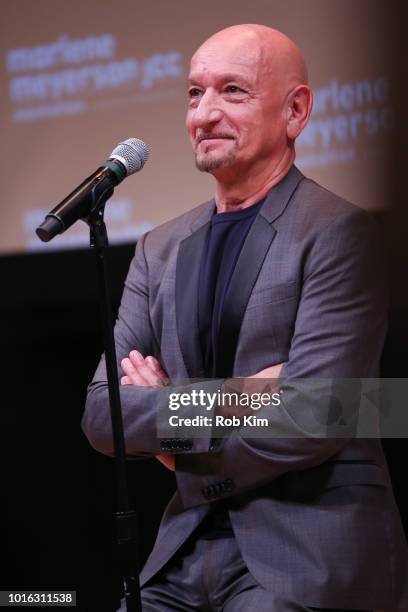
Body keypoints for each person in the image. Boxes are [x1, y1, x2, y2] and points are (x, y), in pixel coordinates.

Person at [82, 24, 408, 611]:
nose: (203, 114)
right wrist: (252, 395)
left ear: (295, 111)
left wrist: (170, 426)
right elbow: (102, 415)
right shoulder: (158, 247)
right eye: (192, 94)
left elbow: (321, 410)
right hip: (183, 552)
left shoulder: (340, 231)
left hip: (307, 550)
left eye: (232, 91)